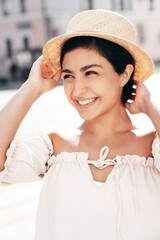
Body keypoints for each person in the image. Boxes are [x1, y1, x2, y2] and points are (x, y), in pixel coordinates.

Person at [0, 9, 160, 240]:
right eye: (69, 76)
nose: (77, 89)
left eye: (91, 73)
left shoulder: (151, 147)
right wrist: (30, 88)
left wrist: (148, 105)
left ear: (125, 75)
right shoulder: (55, 146)